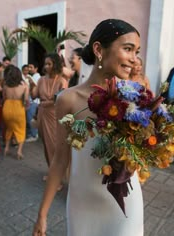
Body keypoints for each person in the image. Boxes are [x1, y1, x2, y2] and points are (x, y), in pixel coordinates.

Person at [33, 19, 143, 236]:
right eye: (128, 49)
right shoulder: (68, 99)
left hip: (125, 203)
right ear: (99, 49)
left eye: (136, 51)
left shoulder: (134, 95)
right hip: (82, 204)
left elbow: (138, 154)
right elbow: (60, 160)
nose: (134, 58)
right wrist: (42, 214)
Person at [30, 53, 67, 181]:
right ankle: (52, 172)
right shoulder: (41, 80)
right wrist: (31, 85)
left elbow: (61, 100)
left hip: (54, 115)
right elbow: (34, 96)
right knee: (46, 145)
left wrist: (46, 102)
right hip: (42, 114)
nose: (46, 66)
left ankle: (58, 179)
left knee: (55, 146)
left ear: (55, 65)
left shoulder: (62, 81)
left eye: (49, 64)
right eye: (45, 64)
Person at [2, 65, 29, 159]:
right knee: (21, 129)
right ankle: (19, 151)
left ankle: (6, 148)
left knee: (9, 128)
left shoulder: (5, 85)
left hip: (7, 107)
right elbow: (26, 100)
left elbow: (4, 97)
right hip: (18, 107)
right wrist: (26, 107)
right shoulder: (24, 85)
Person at [26, 62, 41, 142]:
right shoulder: (33, 76)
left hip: (34, 101)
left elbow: (36, 87)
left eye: (31, 67)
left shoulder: (37, 77)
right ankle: (33, 133)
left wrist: (30, 80)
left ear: (36, 68)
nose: (29, 69)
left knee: (31, 118)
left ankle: (34, 135)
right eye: (29, 67)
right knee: (30, 118)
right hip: (31, 100)